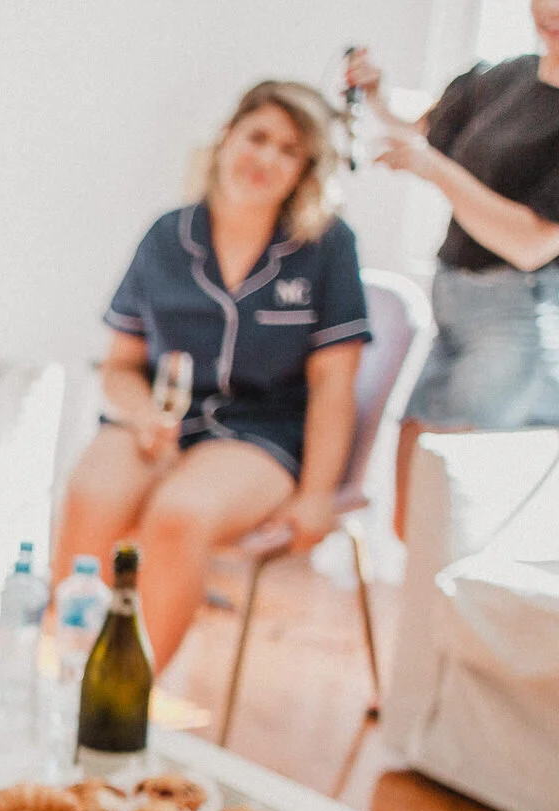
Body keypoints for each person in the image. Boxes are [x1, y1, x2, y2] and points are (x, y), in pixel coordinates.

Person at [56, 81, 370, 673]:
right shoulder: (166, 236)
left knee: (179, 514)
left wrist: (317, 496)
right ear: (227, 137)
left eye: (289, 151)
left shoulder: (328, 246)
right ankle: (67, 668)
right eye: (258, 137)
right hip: (161, 418)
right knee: (91, 493)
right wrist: (143, 414)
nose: (267, 158)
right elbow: (119, 367)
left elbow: (335, 386)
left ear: (305, 170)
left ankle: (129, 692)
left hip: (262, 433)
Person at [348, 8, 559, 540]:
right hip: (455, 310)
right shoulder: (507, 78)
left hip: (514, 321)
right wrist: (377, 94)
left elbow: (531, 244)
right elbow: (430, 125)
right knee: (414, 508)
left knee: (455, 517)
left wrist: (431, 167)